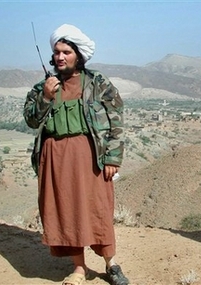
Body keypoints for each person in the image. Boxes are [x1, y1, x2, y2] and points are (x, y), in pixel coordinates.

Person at [23, 24, 129, 285]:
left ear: (78, 55)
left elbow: (117, 118)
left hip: (89, 157)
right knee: (66, 211)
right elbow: (31, 121)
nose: (60, 57)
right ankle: (79, 268)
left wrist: (113, 157)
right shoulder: (42, 88)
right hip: (55, 159)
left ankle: (111, 264)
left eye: (66, 52)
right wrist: (46, 97)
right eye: (57, 52)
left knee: (98, 209)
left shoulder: (96, 82)